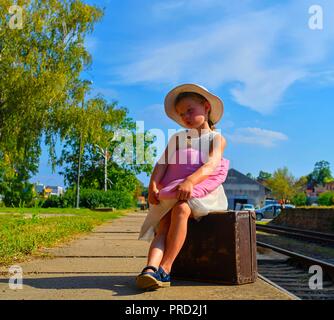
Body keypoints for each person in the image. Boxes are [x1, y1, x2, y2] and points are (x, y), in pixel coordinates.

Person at [135, 84, 229, 290]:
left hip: (204, 192)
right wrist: (153, 185)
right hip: (175, 190)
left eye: (190, 110)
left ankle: (166, 268)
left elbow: (211, 165)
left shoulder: (216, 139)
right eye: (181, 114)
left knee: (181, 208)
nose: (185, 116)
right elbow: (162, 163)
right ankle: (151, 267)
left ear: (206, 107)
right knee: (163, 225)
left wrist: (190, 181)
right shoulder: (177, 139)